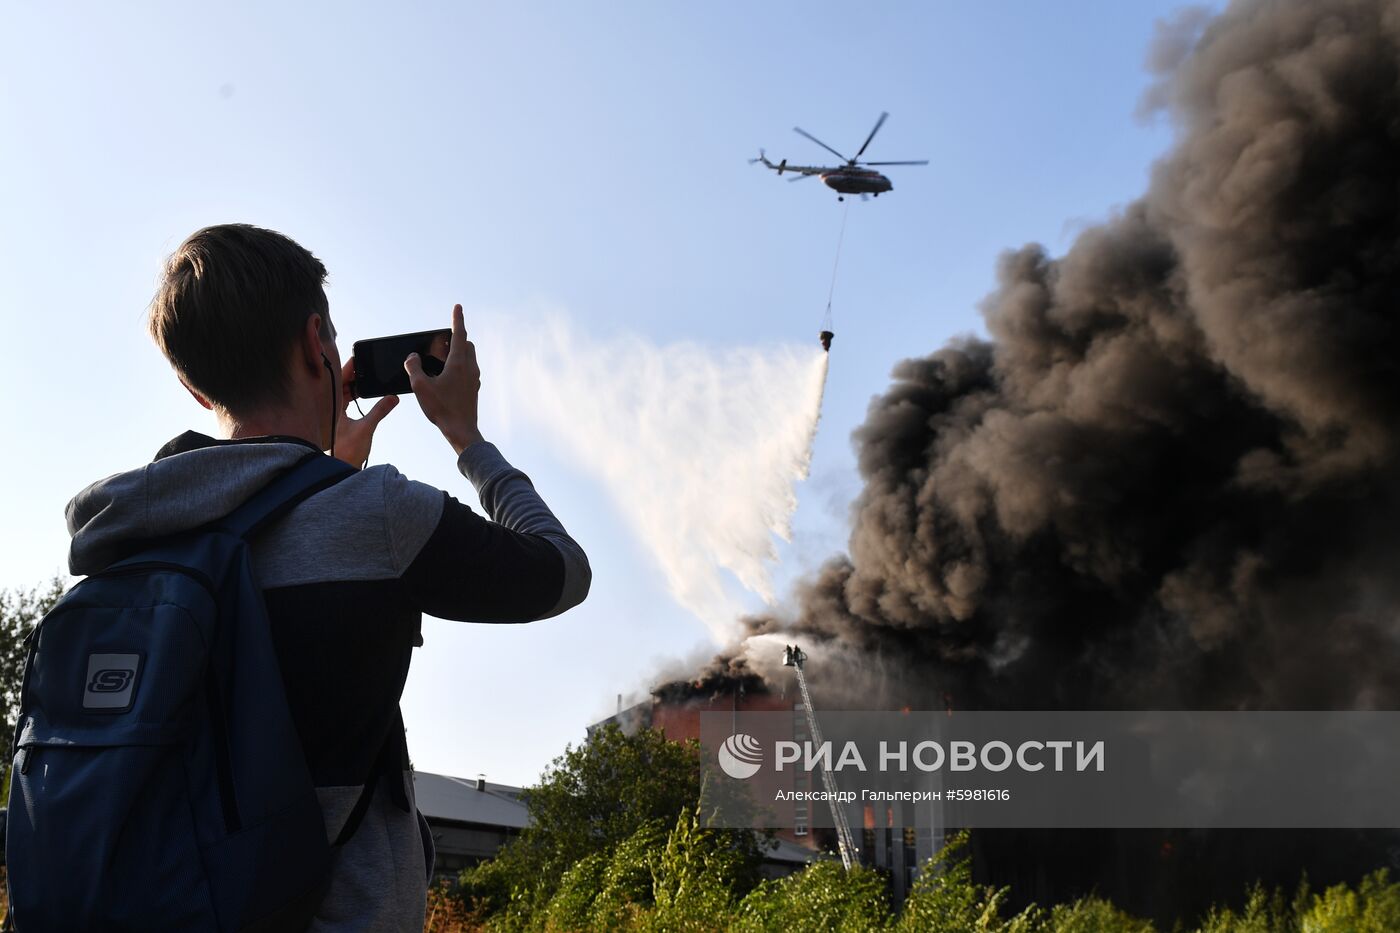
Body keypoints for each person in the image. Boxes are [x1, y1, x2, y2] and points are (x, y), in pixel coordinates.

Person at [63, 223, 591, 931]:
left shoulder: (129, 533)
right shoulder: (376, 517)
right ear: (318, 341)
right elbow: (560, 570)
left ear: (192, 386)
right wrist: (467, 436)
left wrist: (321, 472)